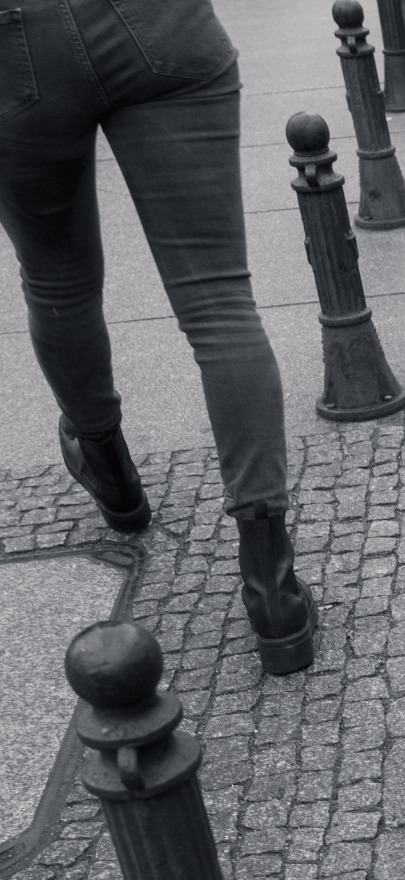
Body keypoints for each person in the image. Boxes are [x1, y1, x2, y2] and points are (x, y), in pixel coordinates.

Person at [0, 0, 315, 673]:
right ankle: (272, 591)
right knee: (219, 300)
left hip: (16, 43)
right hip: (158, 24)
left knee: (58, 282)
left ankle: (111, 476)